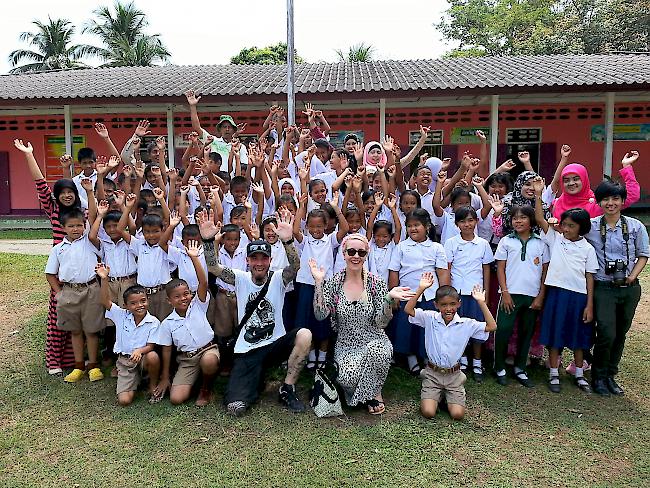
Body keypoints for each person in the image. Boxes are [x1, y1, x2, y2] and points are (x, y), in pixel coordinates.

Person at [198, 209, 311, 417]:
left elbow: (295, 266)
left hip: (274, 343)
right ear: (248, 261)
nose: (259, 263)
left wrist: (287, 242)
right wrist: (206, 240)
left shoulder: (278, 278)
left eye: (263, 259)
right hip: (248, 348)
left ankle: (287, 388)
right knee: (235, 407)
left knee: (305, 334)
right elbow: (213, 267)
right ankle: (256, 380)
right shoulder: (240, 278)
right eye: (254, 259)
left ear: (269, 260)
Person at [310, 234, 414, 415]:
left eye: (361, 252)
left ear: (366, 254)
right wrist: (319, 282)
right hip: (346, 345)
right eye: (351, 251)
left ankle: (374, 392)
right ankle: (367, 385)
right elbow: (320, 315)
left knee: (378, 351)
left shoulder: (376, 283)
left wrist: (389, 299)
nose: (356, 256)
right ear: (343, 253)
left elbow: (381, 323)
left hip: (374, 340)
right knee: (347, 378)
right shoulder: (334, 283)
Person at [14, 139, 80, 375]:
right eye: (61, 193)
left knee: (77, 319)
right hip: (60, 272)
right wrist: (29, 154)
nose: (66, 196)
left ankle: (72, 360)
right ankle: (54, 361)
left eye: (70, 192)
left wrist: (67, 172)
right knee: (57, 316)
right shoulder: (53, 210)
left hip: (79, 273)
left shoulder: (81, 215)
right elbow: (40, 183)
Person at [533, 178, 598, 393]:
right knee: (554, 333)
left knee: (579, 336)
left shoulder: (588, 248)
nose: (565, 229)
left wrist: (589, 305)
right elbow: (540, 218)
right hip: (556, 294)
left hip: (579, 297)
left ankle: (579, 374)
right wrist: (538, 194)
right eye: (564, 224)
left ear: (582, 228)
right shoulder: (556, 239)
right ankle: (553, 373)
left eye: (571, 226)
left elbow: (589, 277)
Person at [584, 180, 649, 396]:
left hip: (630, 287)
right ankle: (599, 376)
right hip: (603, 286)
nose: (610, 203)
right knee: (606, 332)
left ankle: (611, 374)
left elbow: (643, 254)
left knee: (621, 332)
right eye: (606, 199)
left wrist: (632, 276)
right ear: (599, 201)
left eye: (615, 198)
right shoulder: (591, 226)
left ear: (622, 201)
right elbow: (571, 236)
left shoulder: (635, 226)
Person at [405, 279, 496, 420]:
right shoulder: (430, 318)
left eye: (453, 304)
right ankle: (432, 387)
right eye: (444, 305)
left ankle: (455, 385)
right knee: (428, 412)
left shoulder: (466, 324)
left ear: (459, 303)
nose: (448, 309)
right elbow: (408, 310)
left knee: (457, 415)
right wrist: (421, 288)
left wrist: (481, 302)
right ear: (436, 305)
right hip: (432, 373)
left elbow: (492, 326)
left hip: (453, 375)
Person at [154, 240, 219, 407]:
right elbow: (167, 350)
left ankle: (206, 388)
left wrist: (194, 258)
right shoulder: (168, 323)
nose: (183, 298)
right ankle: (191, 380)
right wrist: (165, 377)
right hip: (187, 360)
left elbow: (203, 282)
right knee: (176, 399)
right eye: (177, 296)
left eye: (186, 294)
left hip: (208, 351)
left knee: (209, 362)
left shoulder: (198, 305)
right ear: (169, 301)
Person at [44, 208, 105, 383]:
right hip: (68, 292)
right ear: (63, 227)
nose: (76, 229)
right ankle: (79, 366)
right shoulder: (58, 249)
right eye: (71, 226)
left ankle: (93, 365)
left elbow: (93, 230)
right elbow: (50, 274)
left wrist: (99, 215)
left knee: (91, 330)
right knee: (75, 331)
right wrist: (59, 294)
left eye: (80, 225)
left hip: (91, 289)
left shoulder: (91, 242)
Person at [492, 205, 549, 388]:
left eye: (523, 217)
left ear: (531, 221)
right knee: (503, 330)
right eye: (515, 218)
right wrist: (505, 293)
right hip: (510, 295)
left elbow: (545, 272)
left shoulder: (540, 243)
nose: (518, 221)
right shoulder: (506, 241)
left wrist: (540, 296)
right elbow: (500, 268)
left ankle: (520, 368)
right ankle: (499, 367)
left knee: (527, 333)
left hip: (532, 297)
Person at [388, 208, 450, 375]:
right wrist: (394, 295)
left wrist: (444, 298)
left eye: (417, 225)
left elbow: (443, 273)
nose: (413, 229)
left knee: (428, 328)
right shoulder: (401, 247)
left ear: (427, 227)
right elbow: (394, 272)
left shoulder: (436, 247)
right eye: (409, 226)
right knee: (407, 327)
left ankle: (427, 356)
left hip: (430, 295)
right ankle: (410, 356)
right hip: (408, 294)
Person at [96, 263, 162, 406]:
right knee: (124, 401)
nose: (139, 305)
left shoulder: (153, 322)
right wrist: (104, 279)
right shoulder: (121, 315)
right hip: (126, 362)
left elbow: (151, 346)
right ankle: (134, 380)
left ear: (147, 301)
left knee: (153, 356)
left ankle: (152, 384)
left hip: (143, 358)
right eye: (133, 303)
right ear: (125, 305)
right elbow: (104, 301)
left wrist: (139, 350)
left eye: (143, 301)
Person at [443, 206, 494, 381]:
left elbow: (486, 269)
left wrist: (485, 293)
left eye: (471, 220)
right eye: (463, 221)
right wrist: (449, 292)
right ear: (457, 224)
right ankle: (462, 359)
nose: (467, 224)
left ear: (476, 222)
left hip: (476, 293)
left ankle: (478, 362)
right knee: (459, 327)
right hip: (457, 293)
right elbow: (448, 268)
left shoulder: (483, 244)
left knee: (478, 326)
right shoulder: (451, 243)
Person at [549, 147, 640, 219]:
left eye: (576, 179)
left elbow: (632, 196)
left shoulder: (598, 203)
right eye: (566, 180)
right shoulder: (555, 204)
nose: (571, 183)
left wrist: (626, 167)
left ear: (584, 180)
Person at [185, 90, 248, 173]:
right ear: (220, 129)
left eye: (229, 127)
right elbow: (197, 127)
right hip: (214, 180)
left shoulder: (240, 147)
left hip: (231, 183)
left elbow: (245, 167)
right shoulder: (213, 141)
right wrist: (193, 106)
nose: (227, 129)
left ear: (233, 130)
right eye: (224, 127)